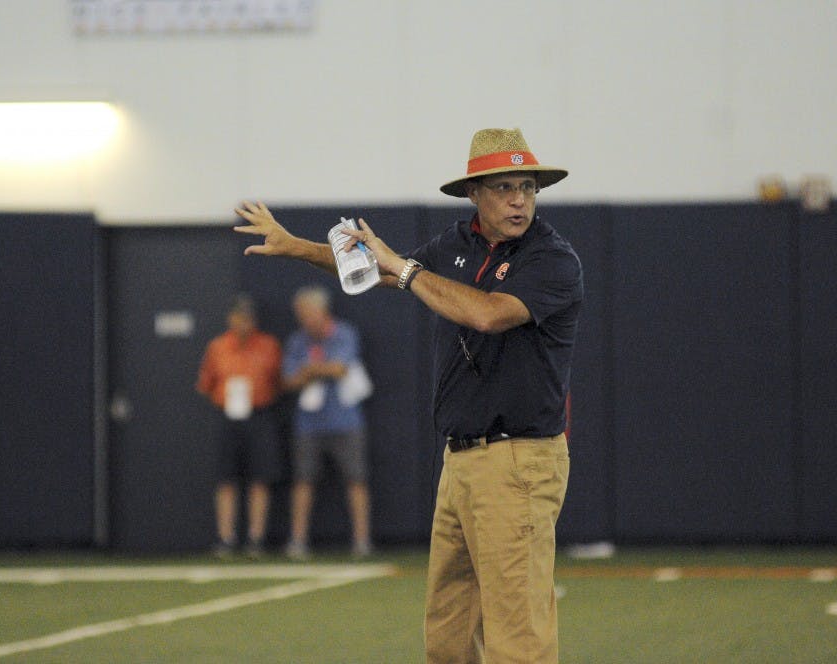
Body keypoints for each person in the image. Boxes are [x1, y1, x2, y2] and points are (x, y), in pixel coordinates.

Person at [234, 126, 582, 663]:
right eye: (505, 188)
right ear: (475, 193)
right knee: (447, 632)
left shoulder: (552, 259)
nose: (519, 200)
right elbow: (381, 270)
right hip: (461, 459)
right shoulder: (455, 243)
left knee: (517, 638)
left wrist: (409, 268)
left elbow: (486, 314)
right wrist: (295, 248)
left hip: (519, 461)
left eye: (528, 188)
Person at [281, 285, 374, 560]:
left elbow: (341, 367)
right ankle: (298, 541)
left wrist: (309, 370)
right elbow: (288, 380)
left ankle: (361, 540)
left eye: (308, 314)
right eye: (300, 315)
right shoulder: (297, 341)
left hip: (346, 421)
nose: (304, 320)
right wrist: (316, 371)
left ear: (322, 312)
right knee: (303, 480)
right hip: (308, 424)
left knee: (356, 479)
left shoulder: (344, 333)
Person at [196, 294, 283, 558]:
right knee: (226, 479)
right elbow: (205, 384)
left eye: (247, 318)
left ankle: (256, 539)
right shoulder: (218, 347)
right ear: (230, 318)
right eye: (238, 317)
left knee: (261, 478)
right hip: (228, 416)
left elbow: (278, 381)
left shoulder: (268, 345)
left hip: (260, 415)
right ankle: (226, 538)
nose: (243, 323)